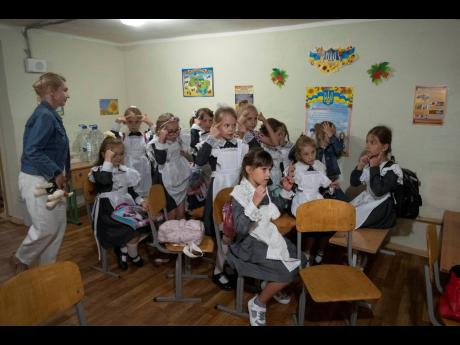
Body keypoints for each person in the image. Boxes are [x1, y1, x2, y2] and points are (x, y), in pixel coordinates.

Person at [226, 148, 304, 326]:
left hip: (264, 235)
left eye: (270, 169)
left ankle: (271, 285)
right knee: (287, 272)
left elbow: (272, 207)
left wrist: (284, 191)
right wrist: (253, 203)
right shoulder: (239, 193)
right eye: (264, 170)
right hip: (247, 243)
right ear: (249, 169)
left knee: (302, 259)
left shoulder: (262, 188)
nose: (269, 174)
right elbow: (239, 228)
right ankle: (258, 304)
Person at [10, 72, 70, 274]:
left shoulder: (51, 114)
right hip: (37, 179)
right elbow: (32, 150)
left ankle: (47, 270)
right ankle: (21, 258)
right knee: (46, 227)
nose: (67, 95)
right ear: (52, 92)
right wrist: (55, 172)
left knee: (59, 224)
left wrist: (61, 173)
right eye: (64, 90)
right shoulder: (44, 115)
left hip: (48, 178)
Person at [195, 106, 249, 290]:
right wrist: (212, 137)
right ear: (217, 126)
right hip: (218, 192)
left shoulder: (241, 144)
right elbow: (200, 161)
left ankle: (228, 265)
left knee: (235, 234)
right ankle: (218, 271)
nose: (231, 129)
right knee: (224, 235)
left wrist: (244, 131)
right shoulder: (211, 144)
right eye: (226, 125)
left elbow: (255, 157)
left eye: (233, 125)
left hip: (236, 192)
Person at [89, 136, 150, 270]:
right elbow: (105, 181)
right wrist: (107, 161)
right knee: (128, 229)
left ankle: (127, 252)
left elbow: (131, 191)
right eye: (114, 155)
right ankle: (126, 251)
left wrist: (141, 201)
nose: (118, 157)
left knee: (144, 222)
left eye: (121, 154)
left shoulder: (125, 171)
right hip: (108, 213)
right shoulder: (98, 171)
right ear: (104, 155)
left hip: (125, 206)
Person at [286, 135, 336, 266]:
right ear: (299, 154)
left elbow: (325, 183)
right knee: (311, 224)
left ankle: (321, 250)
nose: (310, 157)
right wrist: (289, 175)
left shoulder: (319, 165)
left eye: (313, 152)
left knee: (328, 223)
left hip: (317, 198)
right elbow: (287, 183)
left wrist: (331, 187)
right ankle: (307, 252)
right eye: (306, 154)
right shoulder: (295, 167)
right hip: (303, 200)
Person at [350, 125, 403, 229]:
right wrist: (360, 165)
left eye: (372, 142)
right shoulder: (370, 164)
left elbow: (378, 191)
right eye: (367, 142)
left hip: (382, 210)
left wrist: (374, 167)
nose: (367, 146)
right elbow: (354, 182)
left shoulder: (392, 169)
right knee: (344, 215)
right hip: (369, 201)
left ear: (384, 147)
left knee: (350, 221)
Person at [148, 113, 191, 220]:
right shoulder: (156, 143)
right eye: (170, 131)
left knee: (181, 211)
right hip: (166, 178)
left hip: (180, 174)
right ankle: (171, 234)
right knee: (171, 213)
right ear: (161, 131)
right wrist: (162, 140)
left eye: (177, 130)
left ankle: (182, 233)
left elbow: (184, 152)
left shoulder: (177, 138)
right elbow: (160, 161)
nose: (175, 134)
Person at [111, 106, 155, 198]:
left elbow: (158, 135)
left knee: (144, 195)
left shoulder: (146, 136)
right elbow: (111, 136)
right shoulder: (122, 136)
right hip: (128, 167)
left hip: (144, 169)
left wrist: (149, 122)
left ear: (141, 121)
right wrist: (118, 121)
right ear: (125, 122)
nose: (134, 125)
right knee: (130, 194)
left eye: (137, 122)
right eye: (130, 122)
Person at [314, 121, 348, 201]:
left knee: (343, 200)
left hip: (331, 180)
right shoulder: (315, 149)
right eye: (331, 133)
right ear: (322, 134)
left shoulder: (332, 148)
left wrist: (331, 136)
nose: (334, 136)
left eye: (334, 134)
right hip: (318, 182)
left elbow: (339, 150)